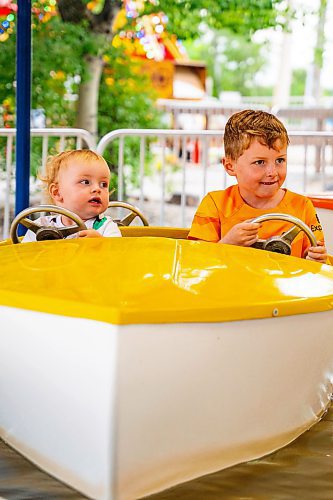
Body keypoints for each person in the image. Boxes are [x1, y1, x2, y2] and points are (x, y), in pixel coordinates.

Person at [188, 109, 328, 263]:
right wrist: (228, 244)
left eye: (280, 160)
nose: (272, 172)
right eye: (260, 162)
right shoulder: (215, 204)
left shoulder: (302, 206)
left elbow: (319, 259)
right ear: (230, 166)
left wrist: (316, 260)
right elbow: (196, 262)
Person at [23, 149, 121, 242]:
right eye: (85, 182)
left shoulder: (106, 226)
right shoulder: (40, 227)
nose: (97, 189)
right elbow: (23, 255)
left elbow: (118, 255)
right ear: (57, 192)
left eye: (103, 184)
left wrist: (101, 244)